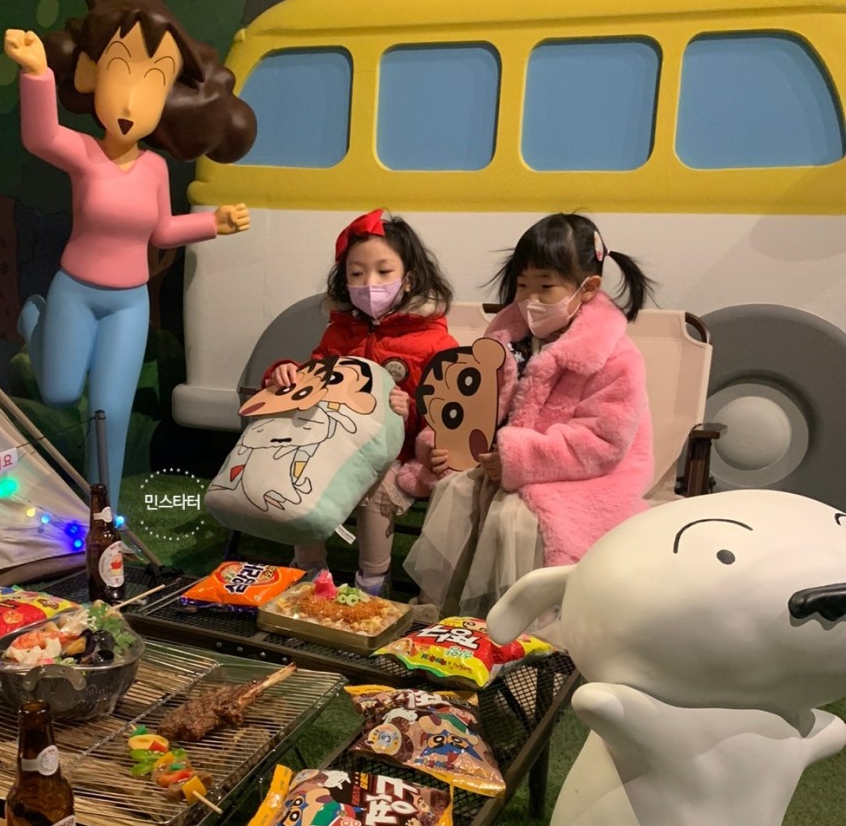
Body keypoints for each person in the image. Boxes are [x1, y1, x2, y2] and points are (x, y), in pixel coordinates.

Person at [4, 0, 257, 511]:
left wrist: (213, 224)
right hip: (75, 291)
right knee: (58, 392)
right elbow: (40, 136)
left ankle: (103, 513)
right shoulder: (84, 153)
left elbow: (161, 233)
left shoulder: (155, 168)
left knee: (110, 412)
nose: (130, 100)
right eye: (120, 71)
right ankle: (37, 320)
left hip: (128, 302)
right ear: (93, 75)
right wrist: (36, 73)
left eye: (153, 80)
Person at [403, 212, 655, 619]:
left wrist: (517, 459)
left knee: (515, 518)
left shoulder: (616, 357)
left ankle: (517, 625)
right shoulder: (506, 338)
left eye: (545, 286)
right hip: (500, 464)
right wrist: (447, 443)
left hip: (581, 476)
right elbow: (470, 402)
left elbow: (602, 444)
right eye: (522, 285)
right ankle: (451, 617)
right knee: (458, 491)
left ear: (588, 288)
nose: (530, 299)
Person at [266, 209, 457, 594]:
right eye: (356, 274)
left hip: (396, 455)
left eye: (384, 272)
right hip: (335, 444)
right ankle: (308, 572)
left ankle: (373, 580)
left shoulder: (436, 342)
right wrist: (285, 373)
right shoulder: (339, 332)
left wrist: (411, 411)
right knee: (299, 468)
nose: (370, 284)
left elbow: (446, 418)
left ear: (409, 279)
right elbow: (314, 379)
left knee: (376, 488)